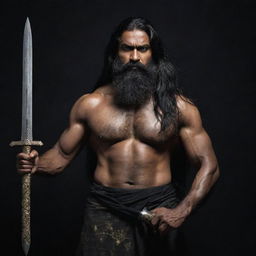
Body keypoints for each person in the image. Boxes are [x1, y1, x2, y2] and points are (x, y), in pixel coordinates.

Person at [17, 17, 220, 256]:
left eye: (142, 49)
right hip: (105, 209)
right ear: (115, 53)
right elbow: (61, 155)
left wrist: (182, 210)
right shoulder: (91, 105)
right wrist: (37, 164)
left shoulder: (179, 108)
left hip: (159, 212)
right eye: (127, 48)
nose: (134, 57)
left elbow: (209, 165)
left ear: (153, 54)